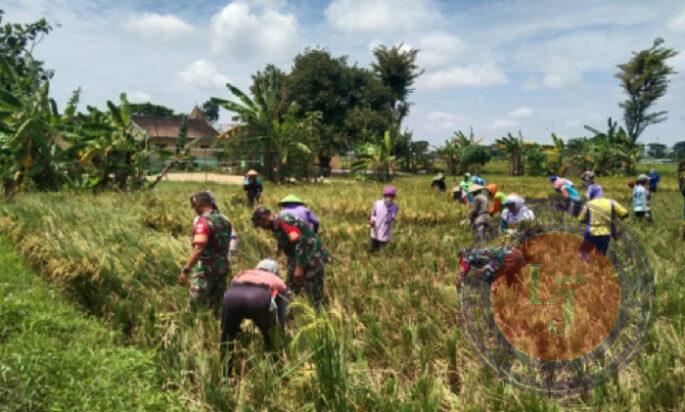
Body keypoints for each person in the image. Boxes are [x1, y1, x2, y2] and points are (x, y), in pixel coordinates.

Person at [252, 206, 329, 306]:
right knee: (289, 288)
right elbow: (286, 238)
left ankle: (319, 315)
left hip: (312, 256)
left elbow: (300, 241)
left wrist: (299, 267)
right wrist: (280, 248)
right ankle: (285, 314)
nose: (261, 227)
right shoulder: (276, 225)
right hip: (298, 256)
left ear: (265, 217)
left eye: (260, 223)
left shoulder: (284, 220)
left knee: (313, 289)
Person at [220, 259, 288, 371]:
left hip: (232, 297)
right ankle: (276, 370)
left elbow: (231, 290)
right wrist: (279, 335)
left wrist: (228, 326)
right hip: (258, 298)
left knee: (227, 338)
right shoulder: (278, 281)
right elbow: (281, 314)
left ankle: (225, 374)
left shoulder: (243, 273)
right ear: (274, 271)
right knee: (271, 338)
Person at [178, 191, 232, 314]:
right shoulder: (225, 220)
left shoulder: (204, 221)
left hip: (205, 270)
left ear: (200, 203)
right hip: (222, 267)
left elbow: (199, 248)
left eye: (194, 205)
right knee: (217, 304)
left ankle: (197, 329)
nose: (194, 209)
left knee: (196, 305)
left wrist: (186, 269)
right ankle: (216, 329)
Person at [578, 185, 628, 259]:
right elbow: (625, 214)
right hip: (605, 233)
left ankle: (586, 268)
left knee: (584, 253)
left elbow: (581, 219)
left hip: (591, 232)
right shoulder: (611, 202)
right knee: (600, 254)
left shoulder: (588, 204)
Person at [369, 186, 400, 251]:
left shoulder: (395, 207)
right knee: (372, 250)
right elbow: (373, 214)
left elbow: (391, 217)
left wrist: (389, 211)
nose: (389, 198)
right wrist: (372, 220)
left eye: (391, 196)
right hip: (375, 231)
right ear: (384, 196)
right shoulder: (377, 203)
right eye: (387, 195)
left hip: (385, 232)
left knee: (383, 251)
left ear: (394, 197)